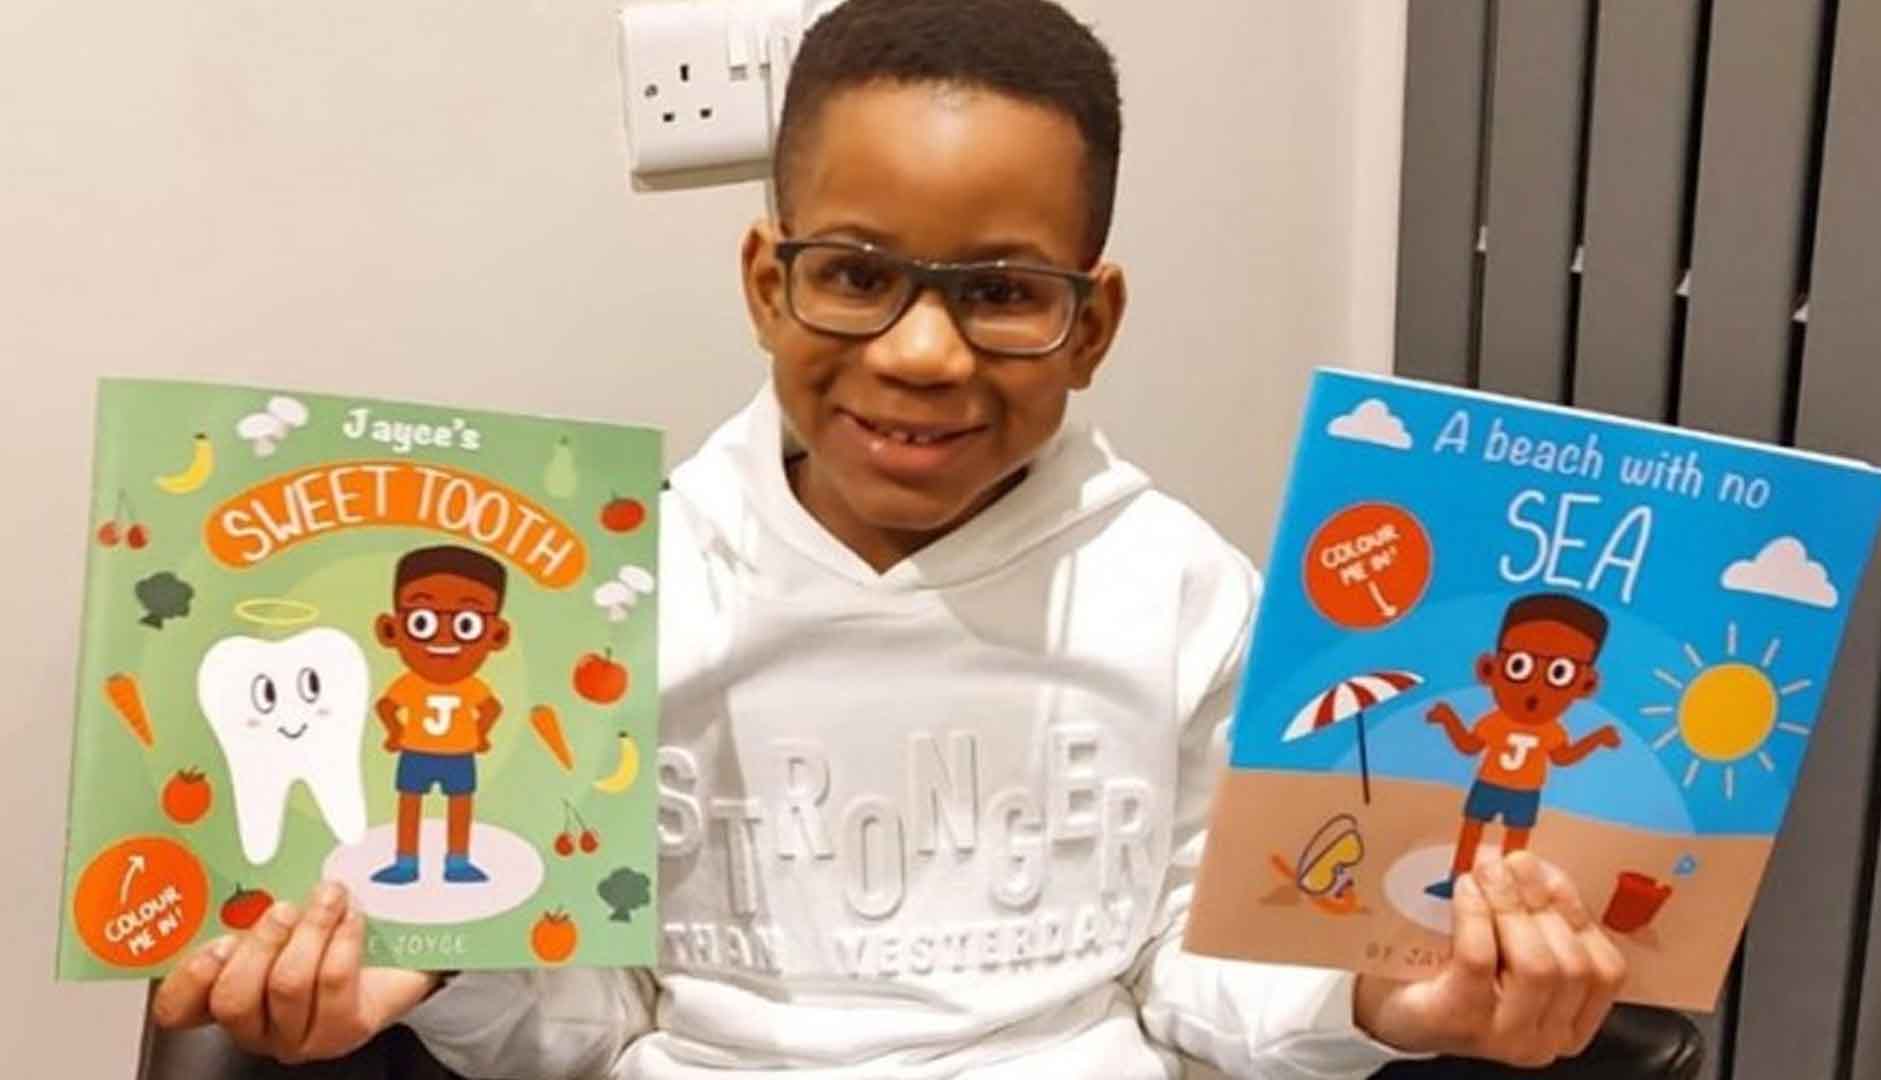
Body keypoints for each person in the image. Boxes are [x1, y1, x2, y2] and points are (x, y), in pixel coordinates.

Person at [151, 1, 1626, 1075]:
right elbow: (582, 1029)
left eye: (1003, 291)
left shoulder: (1184, 593)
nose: (923, 352)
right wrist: (440, 980)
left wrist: (1382, 1005)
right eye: (856, 274)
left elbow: (1207, 985)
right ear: (766, 283)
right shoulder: (621, 597)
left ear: (1091, 323)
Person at [1425, 593, 1620, 899]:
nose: (1535, 689)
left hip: (1525, 791)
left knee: (1515, 843)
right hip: (1489, 783)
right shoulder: (1494, 722)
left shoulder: (1550, 730)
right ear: (1489, 669)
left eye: (1559, 673)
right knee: (1472, 830)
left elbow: (1563, 757)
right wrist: (1448, 719)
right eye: (1520, 666)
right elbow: (1468, 746)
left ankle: (1506, 888)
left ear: (1586, 685)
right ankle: (1457, 879)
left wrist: (1596, 738)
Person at [368, 545, 513, 886]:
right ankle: (406, 861)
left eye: (466, 624)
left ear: (496, 635)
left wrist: (481, 735)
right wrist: (394, 733)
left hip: (458, 754)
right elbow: (386, 707)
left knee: (459, 804)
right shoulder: (410, 683)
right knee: (410, 803)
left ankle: (457, 861)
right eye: (422, 622)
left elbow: (491, 708)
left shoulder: (471, 686)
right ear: (390, 630)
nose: (445, 637)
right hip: (416, 751)